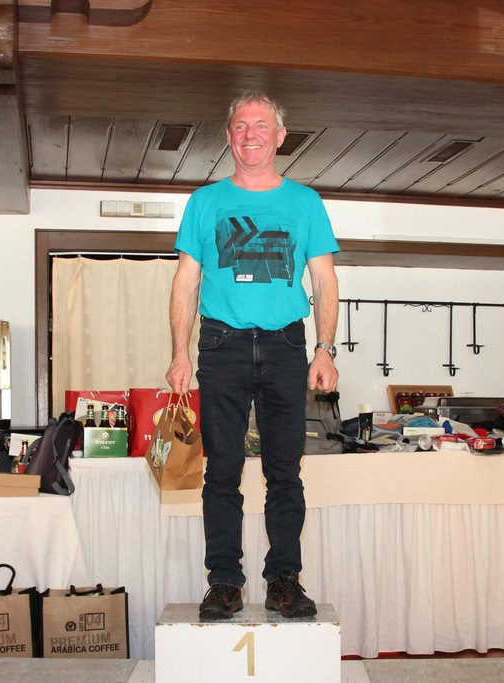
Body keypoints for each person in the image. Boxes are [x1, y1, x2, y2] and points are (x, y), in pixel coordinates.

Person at [166, 91, 340, 621]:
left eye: (261, 125)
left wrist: (324, 350)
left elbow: (324, 280)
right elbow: (186, 281)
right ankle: (224, 583)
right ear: (229, 137)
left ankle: (284, 581)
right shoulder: (205, 202)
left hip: (287, 345)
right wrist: (179, 353)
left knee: (285, 473)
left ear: (280, 136)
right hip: (223, 346)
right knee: (222, 472)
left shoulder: (306, 202)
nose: (250, 135)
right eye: (240, 126)